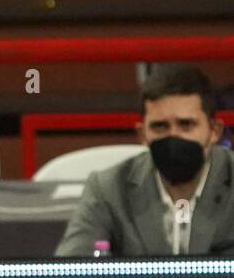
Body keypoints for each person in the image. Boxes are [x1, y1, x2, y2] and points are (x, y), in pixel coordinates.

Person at [56, 65, 234, 257]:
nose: (173, 136)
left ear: (214, 131)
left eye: (186, 124)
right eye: (160, 126)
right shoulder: (108, 189)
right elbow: (70, 272)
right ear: (142, 134)